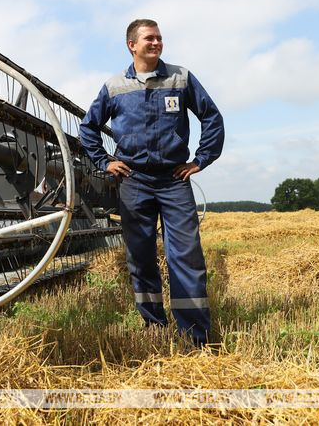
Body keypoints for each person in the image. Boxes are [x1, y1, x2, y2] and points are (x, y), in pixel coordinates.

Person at [79, 19, 224, 345]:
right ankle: (154, 327)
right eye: (149, 38)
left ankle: (195, 335)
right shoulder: (115, 87)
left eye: (159, 37)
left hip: (174, 181)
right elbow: (88, 128)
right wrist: (105, 161)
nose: (156, 43)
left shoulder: (180, 78)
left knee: (186, 256)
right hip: (134, 182)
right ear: (132, 44)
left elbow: (211, 116)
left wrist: (201, 159)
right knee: (140, 256)